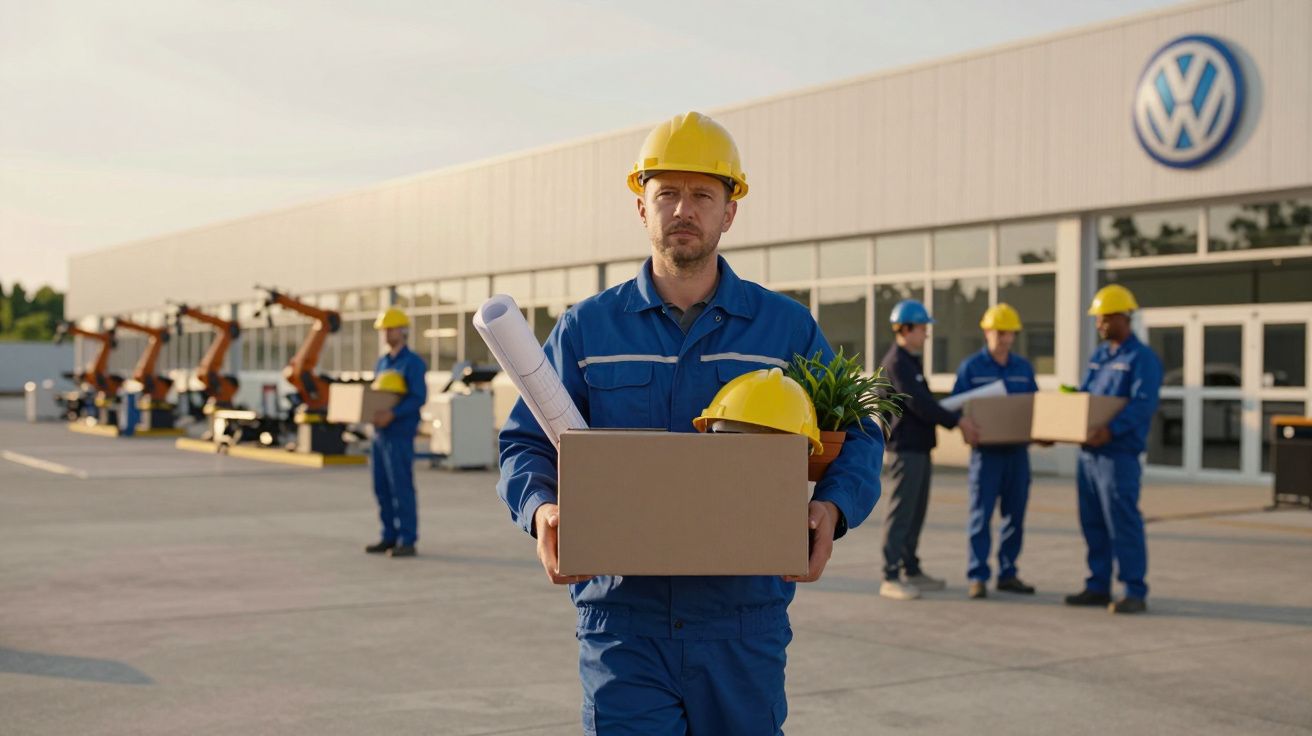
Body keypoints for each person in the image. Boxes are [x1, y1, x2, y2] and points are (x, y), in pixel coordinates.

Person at [496, 111, 882, 735]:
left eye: (703, 195)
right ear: (641, 208)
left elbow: (860, 431)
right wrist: (541, 510)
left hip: (741, 621)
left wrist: (832, 508)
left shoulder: (785, 330)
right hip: (623, 622)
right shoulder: (587, 329)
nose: (684, 209)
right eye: (667, 193)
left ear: (730, 213)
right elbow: (525, 441)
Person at [1065, 284, 1162, 614]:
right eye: (1097, 319)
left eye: (1105, 318)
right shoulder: (1099, 357)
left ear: (1124, 317)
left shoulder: (1142, 359)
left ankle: (1134, 589)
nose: (1099, 324)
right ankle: (1097, 585)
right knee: (1092, 521)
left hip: (1118, 456)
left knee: (1123, 522)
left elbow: (1143, 405)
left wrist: (1111, 430)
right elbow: (1084, 398)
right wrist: (1061, 425)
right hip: (1089, 455)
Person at [879, 300, 979, 601]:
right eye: (923, 328)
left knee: (916, 512)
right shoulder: (897, 363)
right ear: (905, 329)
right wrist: (956, 421)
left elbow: (925, 402)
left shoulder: (910, 361)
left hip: (920, 447)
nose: (926, 334)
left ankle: (910, 568)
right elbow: (919, 404)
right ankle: (890, 575)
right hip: (905, 449)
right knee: (902, 512)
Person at [952, 303, 1039, 600]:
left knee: (1015, 515)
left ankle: (1008, 573)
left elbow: (1036, 406)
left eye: (1010, 333)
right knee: (981, 515)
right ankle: (977, 576)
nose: (1005, 339)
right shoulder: (971, 368)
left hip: (1017, 454)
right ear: (987, 332)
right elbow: (956, 406)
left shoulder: (1023, 368)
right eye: (1000, 333)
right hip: (986, 455)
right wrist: (963, 425)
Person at [365, 307, 428, 558]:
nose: (386, 333)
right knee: (381, 487)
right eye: (384, 329)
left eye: (390, 329)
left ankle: (407, 540)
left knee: (401, 487)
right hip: (380, 435)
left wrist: (393, 414)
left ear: (402, 330)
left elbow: (418, 397)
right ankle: (388, 536)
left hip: (400, 433)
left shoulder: (413, 363)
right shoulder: (382, 362)